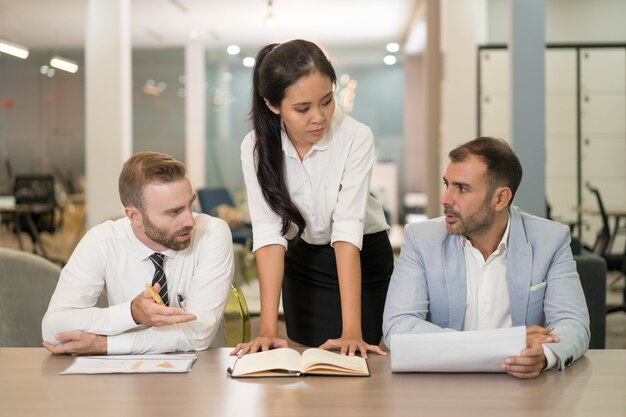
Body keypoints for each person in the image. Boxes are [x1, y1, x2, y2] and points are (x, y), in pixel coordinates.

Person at [233, 39, 393, 358]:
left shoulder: (355, 137)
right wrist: (266, 330)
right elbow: (268, 235)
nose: (319, 117)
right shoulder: (256, 148)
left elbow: (347, 229)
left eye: (326, 101)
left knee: (357, 358)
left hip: (361, 256)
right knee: (304, 355)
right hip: (304, 260)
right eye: (303, 109)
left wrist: (352, 331)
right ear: (272, 104)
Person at [383, 137, 590, 379]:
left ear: (500, 198)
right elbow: (398, 326)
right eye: (446, 184)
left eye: (461, 188)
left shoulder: (550, 240)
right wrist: (499, 344)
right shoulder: (422, 239)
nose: (445, 199)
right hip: (444, 385)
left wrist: (544, 355)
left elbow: (573, 324)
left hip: (523, 389)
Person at [42, 152, 234, 355]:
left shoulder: (211, 234)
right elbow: (53, 330)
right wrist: (132, 313)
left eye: (190, 205)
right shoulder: (102, 241)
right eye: (174, 212)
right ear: (134, 216)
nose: (190, 221)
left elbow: (197, 335)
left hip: (204, 370)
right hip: (128, 375)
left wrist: (105, 345)